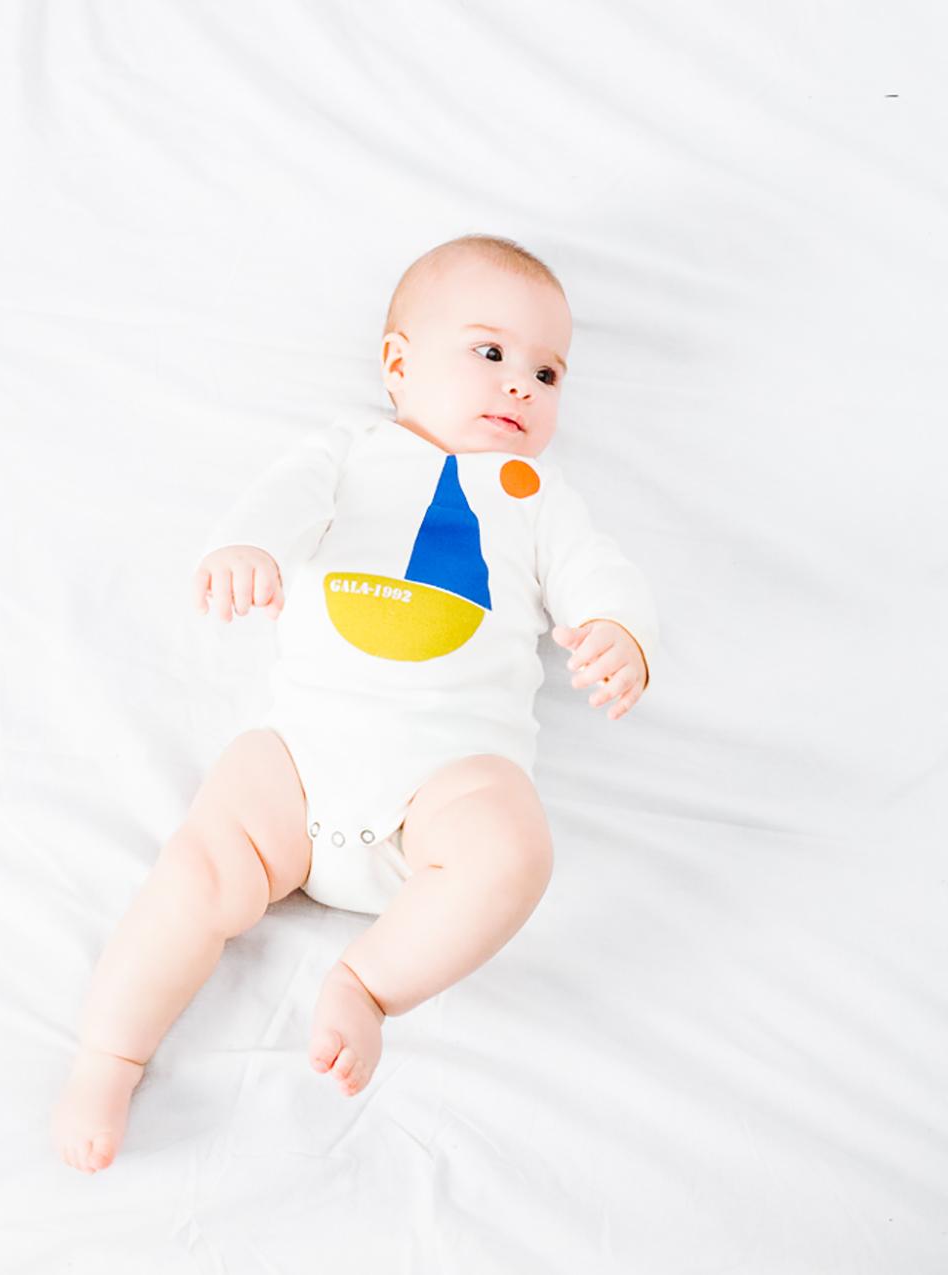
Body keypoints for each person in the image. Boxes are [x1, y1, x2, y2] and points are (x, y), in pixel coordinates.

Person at [52, 233, 659, 1174]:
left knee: (514, 847)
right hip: (301, 766)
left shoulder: (537, 494)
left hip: (441, 794)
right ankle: (109, 1054)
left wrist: (621, 633)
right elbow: (281, 498)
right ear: (397, 363)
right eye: (491, 351)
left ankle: (369, 985)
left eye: (548, 372)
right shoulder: (350, 450)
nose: (522, 384)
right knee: (201, 864)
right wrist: (249, 547)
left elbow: (598, 572)